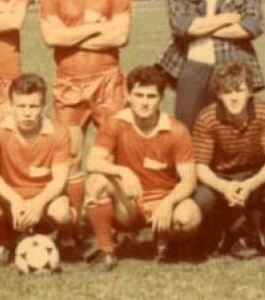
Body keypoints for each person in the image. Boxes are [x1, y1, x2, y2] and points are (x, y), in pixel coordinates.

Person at [38, 0, 131, 240]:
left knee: (114, 154)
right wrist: (95, 27)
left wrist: (72, 35)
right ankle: (72, 227)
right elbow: (52, 38)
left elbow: (120, 36)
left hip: (108, 80)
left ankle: (120, 223)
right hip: (69, 83)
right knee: (71, 155)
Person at [85, 65, 200, 270]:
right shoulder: (115, 123)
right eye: (139, 95)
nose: (144, 102)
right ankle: (106, 250)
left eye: (151, 96)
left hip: (162, 202)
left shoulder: (176, 130)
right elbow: (92, 162)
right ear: (128, 96)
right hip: (129, 203)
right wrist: (123, 171)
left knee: (189, 216)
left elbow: (189, 180)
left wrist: (168, 202)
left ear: (161, 99)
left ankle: (167, 240)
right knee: (97, 182)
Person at [158, 0, 265, 129]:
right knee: (187, 128)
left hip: (234, 64)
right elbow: (183, 26)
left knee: (235, 130)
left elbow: (251, 26)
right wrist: (226, 19)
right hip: (193, 64)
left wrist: (201, 27)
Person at [190, 61, 265, 259]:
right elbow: (200, 166)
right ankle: (219, 236)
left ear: (250, 91)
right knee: (202, 197)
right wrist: (224, 187)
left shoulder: (263, 112)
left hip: (256, 173)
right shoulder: (208, 117)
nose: (234, 98)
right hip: (221, 175)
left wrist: (250, 185)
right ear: (218, 94)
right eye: (227, 92)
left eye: (240, 90)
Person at [0, 74, 75, 263]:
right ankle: (0, 243)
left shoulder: (59, 132)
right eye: (21, 106)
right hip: (9, 196)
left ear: (44, 107)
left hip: (44, 197)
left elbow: (60, 179)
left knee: (61, 212)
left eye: (33, 106)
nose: (27, 113)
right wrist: (15, 199)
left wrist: (37, 203)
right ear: (11, 106)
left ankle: (61, 236)